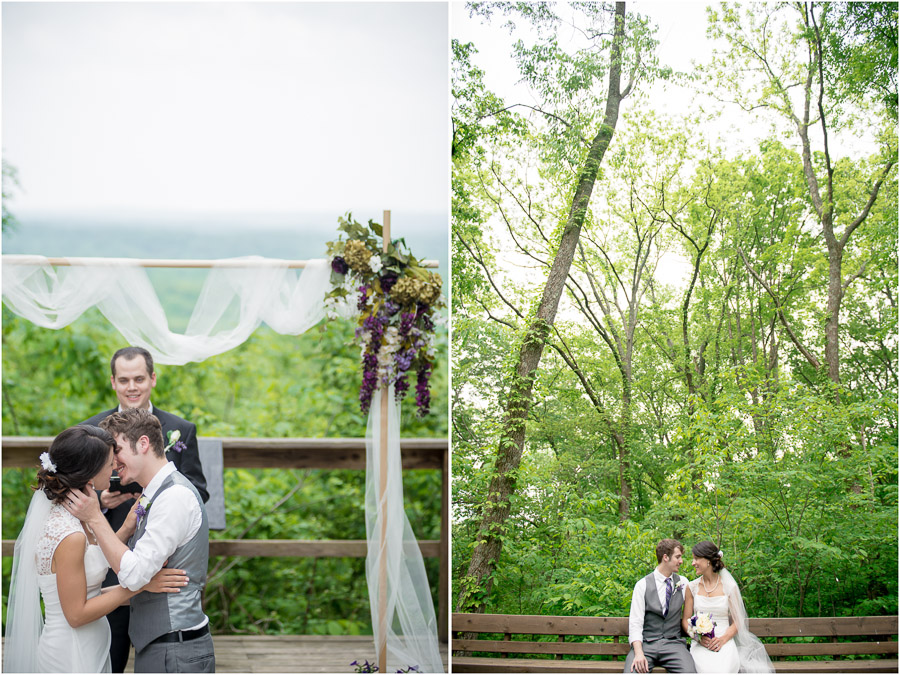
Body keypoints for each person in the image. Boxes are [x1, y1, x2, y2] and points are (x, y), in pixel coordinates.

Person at [3, 425, 188, 673]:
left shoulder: (76, 515)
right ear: (89, 472)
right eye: (110, 463)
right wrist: (140, 585)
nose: (115, 467)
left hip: (89, 646)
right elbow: (77, 614)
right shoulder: (68, 534)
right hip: (71, 654)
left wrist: (125, 529)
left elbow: (89, 590)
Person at [83, 345, 208, 672]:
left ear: (152, 379)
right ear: (113, 383)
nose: (132, 386)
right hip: (111, 556)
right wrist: (101, 503)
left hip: (163, 560)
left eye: (139, 378)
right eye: (124, 380)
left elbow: (195, 493)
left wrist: (152, 501)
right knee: (109, 655)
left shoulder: (179, 432)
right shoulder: (92, 430)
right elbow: (77, 492)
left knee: (158, 647)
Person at [64, 408, 215, 673]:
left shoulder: (174, 498)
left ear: (143, 443)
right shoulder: (154, 494)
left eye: (117, 449)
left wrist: (96, 518)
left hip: (174, 654)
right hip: (161, 648)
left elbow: (134, 576)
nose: (111, 460)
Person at [683, 541, 774, 673]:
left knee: (723, 669)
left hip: (724, 643)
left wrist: (722, 640)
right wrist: (698, 638)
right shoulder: (691, 587)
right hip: (701, 644)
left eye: (696, 558)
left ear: (708, 560)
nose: (693, 563)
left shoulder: (729, 586)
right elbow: (685, 620)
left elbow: (738, 620)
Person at [624, 538, 696, 673]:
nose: (681, 561)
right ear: (665, 557)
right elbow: (635, 623)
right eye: (678, 557)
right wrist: (639, 653)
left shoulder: (683, 582)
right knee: (632, 672)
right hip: (646, 645)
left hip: (674, 645)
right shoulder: (642, 585)